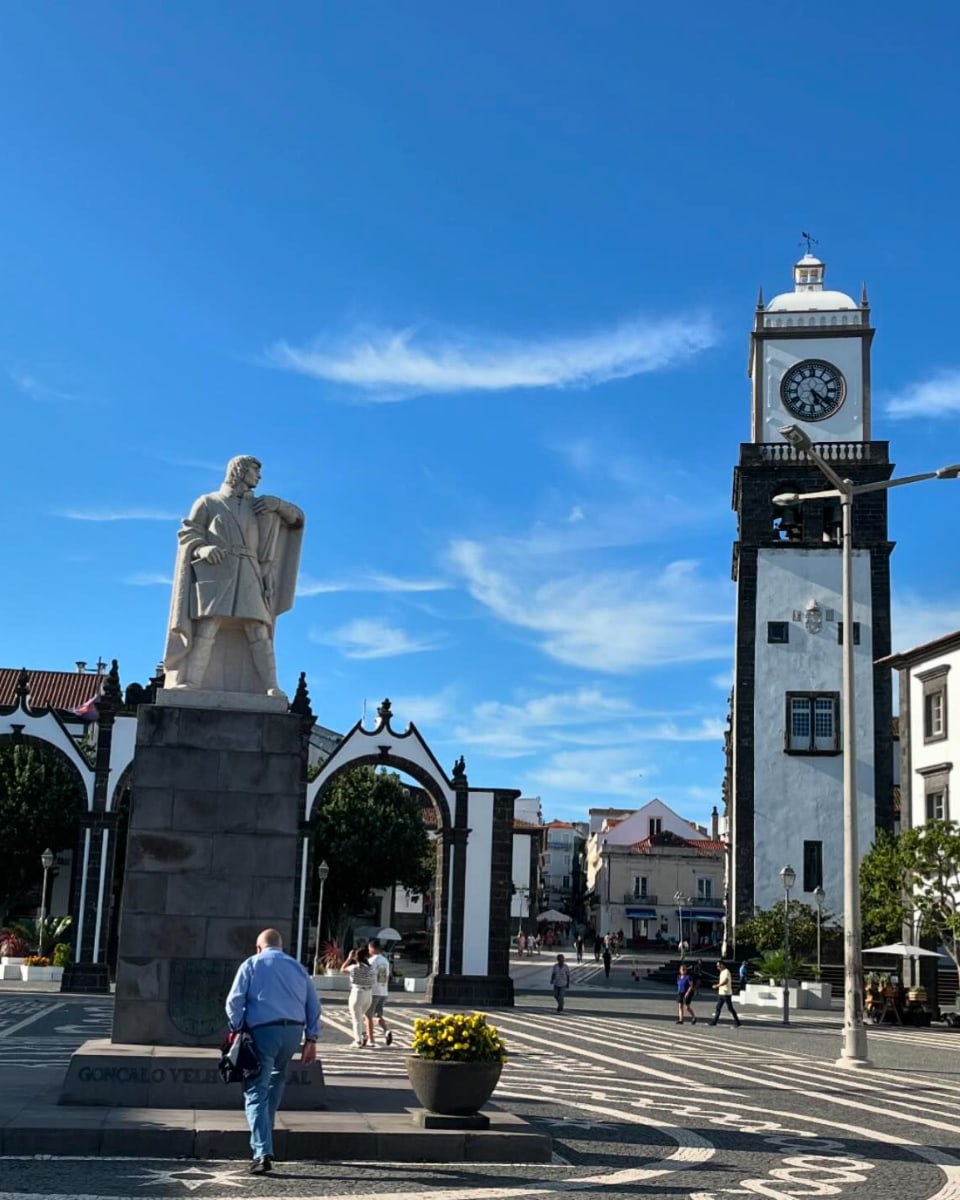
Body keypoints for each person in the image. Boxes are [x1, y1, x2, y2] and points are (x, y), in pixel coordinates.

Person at [163, 455, 304, 698]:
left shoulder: (261, 505)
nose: (258, 477)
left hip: (249, 570)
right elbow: (189, 534)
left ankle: (270, 686)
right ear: (240, 471)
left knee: (258, 628)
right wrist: (202, 548)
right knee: (207, 627)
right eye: (254, 471)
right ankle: (192, 682)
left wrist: (278, 504)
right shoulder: (208, 502)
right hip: (218, 571)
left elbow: (296, 519)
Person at [225, 928, 321, 1175]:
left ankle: (262, 1152)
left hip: (263, 1031)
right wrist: (311, 1038)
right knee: (275, 1083)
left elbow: (234, 1000)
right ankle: (264, 1135)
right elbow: (313, 1004)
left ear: (259, 947)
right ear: (281, 947)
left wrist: (237, 1028)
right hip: (292, 1033)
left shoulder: (252, 964)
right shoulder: (298, 967)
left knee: (256, 1090)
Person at [341, 946, 375, 1046]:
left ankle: (358, 1040)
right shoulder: (371, 968)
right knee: (361, 1016)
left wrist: (348, 958)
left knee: (356, 1018)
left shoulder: (354, 968)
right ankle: (364, 1035)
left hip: (357, 993)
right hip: (368, 994)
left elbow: (342, 969)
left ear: (356, 957)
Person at [366, 938, 393, 1047]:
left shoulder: (372, 961)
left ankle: (371, 1040)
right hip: (383, 991)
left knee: (368, 1016)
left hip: (373, 991)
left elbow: (368, 974)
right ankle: (386, 1030)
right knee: (378, 1015)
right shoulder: (385, 961)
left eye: (369, 948)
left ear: (372, 948)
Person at [710, 960, 742, 1027]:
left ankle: (737, 1022)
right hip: (721, 993)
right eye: (717, 966)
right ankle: (714, 1022)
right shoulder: (722, 972)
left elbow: (726, 981)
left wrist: (717, 985)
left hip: (726, 993)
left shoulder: (726, 971)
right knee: (718, 1007)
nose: (717, 967)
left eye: (718, 966)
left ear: (722, 965)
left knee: (730, 1008)